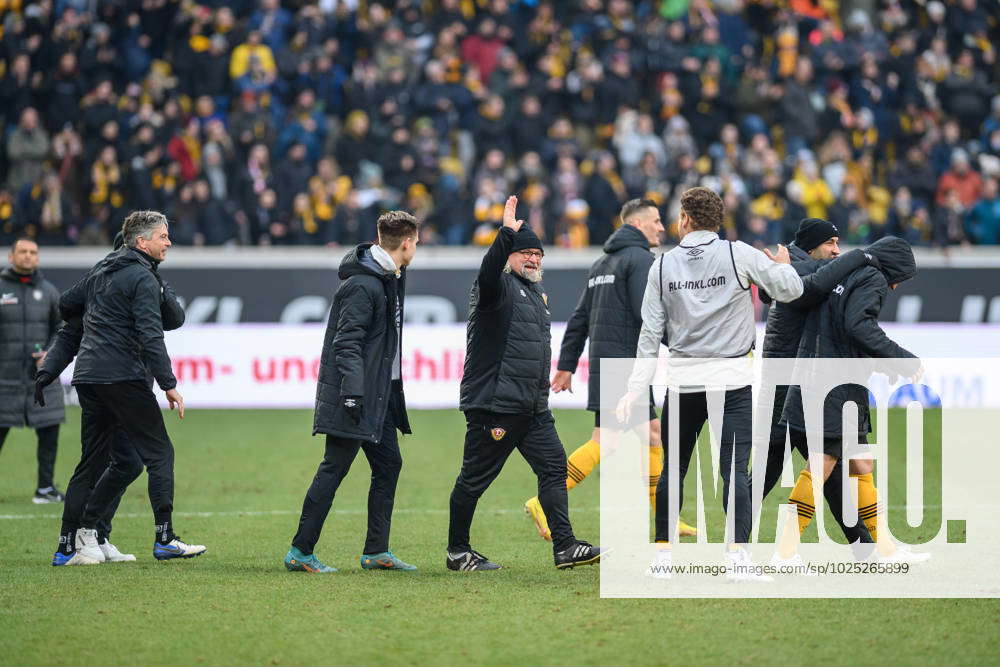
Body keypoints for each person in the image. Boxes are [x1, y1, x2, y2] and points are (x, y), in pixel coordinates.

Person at [621, 187, 875, 581]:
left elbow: (649, 335)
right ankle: (737, 558)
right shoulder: (739, 254)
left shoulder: (661, 266)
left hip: (684, 380)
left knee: (674, 468)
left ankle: (663, 558)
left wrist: (635, 389)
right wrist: (784, 266)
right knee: (735, 470)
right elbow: (791, 289)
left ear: (684, 220)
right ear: (717, 220)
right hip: (732, 381)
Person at [524, 199, 697, 540]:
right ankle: (543, 501)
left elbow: (580, 318)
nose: (662, 227)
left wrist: (567, 365)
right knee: (613, 440)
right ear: (638, 224)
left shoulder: (602, 262)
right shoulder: (641, 260)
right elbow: (647, 314)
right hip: (625, 366)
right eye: (657, 221)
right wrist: (682, 347)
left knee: (648, 435)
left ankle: (668, 518)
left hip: (609, 363)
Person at [448, 195, 603, 571]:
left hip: (532, 408)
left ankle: (564, 547)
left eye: (539, 254)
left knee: (554, 469)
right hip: (495, 406)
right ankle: (457, 552)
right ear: (509, 257)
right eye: (525, 253)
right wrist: (504, 235)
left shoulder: (535, 293)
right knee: (473, 480)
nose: (533, 259)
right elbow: (486, 273)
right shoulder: (496, 287)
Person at [52, 210, 204, 566]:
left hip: (89, 376)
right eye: (163, 236)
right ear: (142, 241)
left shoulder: (102, 271)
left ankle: (75, 543)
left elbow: (65, 304)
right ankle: (165, 538)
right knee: (159, 454)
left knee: (107, 462)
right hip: (123, 377)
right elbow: (153, 334)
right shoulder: (142, 278)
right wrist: (169, 384)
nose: (169, 242)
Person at [775, 235, 928, 563]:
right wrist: (900, 357)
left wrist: (880, 362)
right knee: (823, 463)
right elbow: (858, 326)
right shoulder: (873, 278)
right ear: (893, 269)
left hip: (827, 376)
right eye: (899, 279)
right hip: (834, 385)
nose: (896, 287)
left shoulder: (845, 272)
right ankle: (785, 551)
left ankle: (885, 549)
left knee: (860, 463)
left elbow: (842, 329)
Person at [285, 211, 419, 574]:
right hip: (358, 396)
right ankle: (300, 551)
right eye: (416, 242)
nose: (417, 249)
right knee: (334, 469)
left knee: (389, 464)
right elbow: (347, 344)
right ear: (407, 243)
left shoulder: (388, 277)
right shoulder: (364, 285)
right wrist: (352, 394)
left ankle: (376, 551)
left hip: (378, 396)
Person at [0, 238, 65, 504]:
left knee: (49, 431)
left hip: (42, 378)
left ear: (37, 258)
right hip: (5, 378)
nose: (28, 256)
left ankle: (45, 488)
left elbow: (62, 329)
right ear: (11, 257)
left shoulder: (49, 291)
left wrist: (50, 353)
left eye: (33, 252)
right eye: (23, 252)